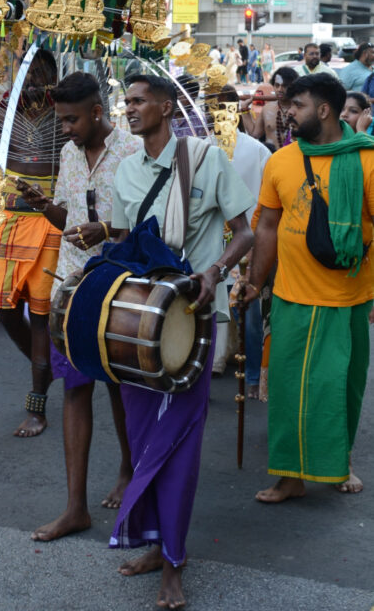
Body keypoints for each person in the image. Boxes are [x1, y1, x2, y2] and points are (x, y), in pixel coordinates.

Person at [109, 75, 253, 610]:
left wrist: (215, 272)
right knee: (145, 441)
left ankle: (173, 562)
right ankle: (154, 543)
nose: (129, 109)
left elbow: (244, 231)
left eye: (139, 100)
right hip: (140, 325)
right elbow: (127, 247)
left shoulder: (204, 158)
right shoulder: (127, 170)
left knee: (178, 446)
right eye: (125, 101)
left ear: (167, 107)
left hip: (191, 319)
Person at [16, 72, 142, 542]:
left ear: (96, 111)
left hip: (118, 287)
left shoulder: (132, 150)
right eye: (59, 120)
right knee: (75, 389)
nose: (64, 128)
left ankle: (129, 469)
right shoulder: (68, 153)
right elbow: (70, 220)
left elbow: (147, 224)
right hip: (71, 288)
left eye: (71, 119)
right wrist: (43, 205)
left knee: (120, 388)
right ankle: (75, 508)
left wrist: (105, 231)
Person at [239, 73, 374, 503]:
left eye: (296, 106)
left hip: (348, 298)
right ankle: (290, 478)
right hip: (291, 296)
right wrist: (252, 281)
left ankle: (336, 466)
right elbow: (266, 228)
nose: (288, 113)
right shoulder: (280, 161)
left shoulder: (368, 162)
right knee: (287, 393)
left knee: (339, 390)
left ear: (323, 110)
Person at [0, 49, 63, 437]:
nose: (32, 79)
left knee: (39, 317)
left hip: (48, 220)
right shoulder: (8, 107)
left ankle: (37, 406)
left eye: (39, 73)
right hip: (10, 218)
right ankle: (47, 365)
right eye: (26, 72)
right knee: (4, 309)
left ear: (53, 75)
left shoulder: (64, 111)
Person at [209, 85, 270, 397]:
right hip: (222, 238)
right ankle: (222, 362)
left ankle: (245, 372)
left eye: (224, 107)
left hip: (243, 237)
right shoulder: (201, 147)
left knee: (245, 306)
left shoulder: (255, 150)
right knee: (224, 301)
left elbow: (265, 199)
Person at [239, 66, 298, 151]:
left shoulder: (300, 110)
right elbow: (255, 134)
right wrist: (244, 109)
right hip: (271, 158)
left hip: (295, 159)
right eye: (277, 85)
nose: (280, 89)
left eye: (284, 86)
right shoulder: (267, 109)